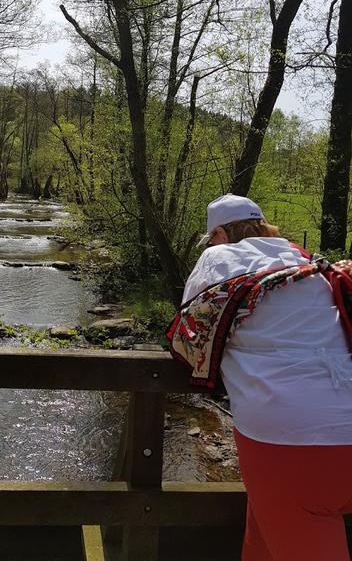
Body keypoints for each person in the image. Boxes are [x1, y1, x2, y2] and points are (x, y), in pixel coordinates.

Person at [169, 193, 352, 561]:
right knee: (263, 536)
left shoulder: (217, 257)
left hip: (292, 443)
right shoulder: (303, 258)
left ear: (219, 233)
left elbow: (189, 332)